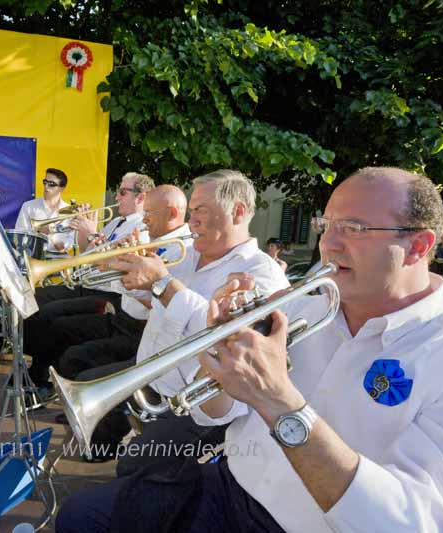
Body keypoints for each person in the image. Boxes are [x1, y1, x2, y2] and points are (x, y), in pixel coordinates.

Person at [57, 167, 443, 532]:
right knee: (82, 516)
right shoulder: (306, 306)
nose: (328, 243)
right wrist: (219, 359)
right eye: (328, 224)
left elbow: (421, 522)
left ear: (419, 246)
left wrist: (280, 402)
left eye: (355, 228)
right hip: (227, 491)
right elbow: (216, 415)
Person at [67, 170, 289, 476]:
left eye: (200, 210)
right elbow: (160, 308)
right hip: (152, 377)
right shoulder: (186, 256)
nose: (191, 219)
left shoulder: (261, 274)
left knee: (133, 469)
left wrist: (162, 284)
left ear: (237, 212)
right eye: (192, 210)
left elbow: (226, 337)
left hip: (199, 408)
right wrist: (135, 279)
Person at [39, 185, 192, 383]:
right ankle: (46, 380)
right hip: (122, 317)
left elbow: (162, 303)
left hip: (141, 331)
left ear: (172, 213)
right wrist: (111, 256)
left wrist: (122, 270)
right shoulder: (147, 236)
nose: (144, 218)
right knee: (58, 328)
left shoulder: (180, 250)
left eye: (148, 213)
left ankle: (82, 403)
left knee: (74, 357)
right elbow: (93, 257)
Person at [23, 173, 154, 392]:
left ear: (140, 198)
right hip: (89, 285)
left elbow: (116, 264)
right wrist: (85, 232)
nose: (117, 197)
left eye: (122, 192)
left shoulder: (142, 227)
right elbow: (88, 254)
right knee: (34, 299)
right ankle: (38, 369)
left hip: (110, 295)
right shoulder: (115, 221)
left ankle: (43, 376)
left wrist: (91, 232)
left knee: (50, 314)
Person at [14, 167, 74, 251]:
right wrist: (38, 235)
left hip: (58, 260)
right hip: (32, 256)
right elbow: (19, 239)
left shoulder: (70, 212)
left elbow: (63, 249)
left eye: (51, 184)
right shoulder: (28, 206)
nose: (46, 186)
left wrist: (50, 235)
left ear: (62, 188)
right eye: (45, 182)